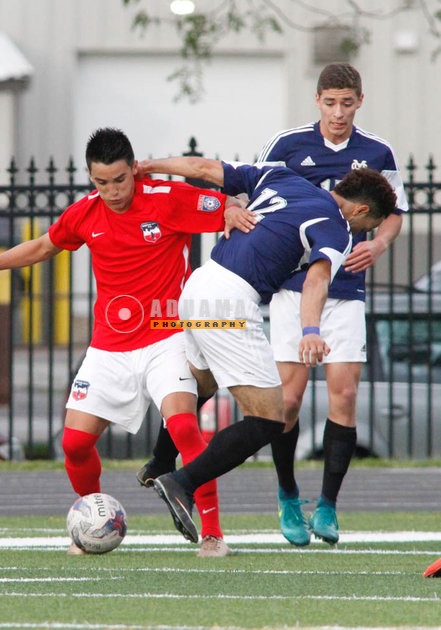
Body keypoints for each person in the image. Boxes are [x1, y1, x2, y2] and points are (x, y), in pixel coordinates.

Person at [138, 62, 409, 546]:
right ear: (363, 210)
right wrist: (311, 331)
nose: (363, 234)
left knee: (202, 381)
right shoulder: (335, 227)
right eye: (368, 227)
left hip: (198, 286)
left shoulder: (278, 175)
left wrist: (148, 166)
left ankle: (161, 459)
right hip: (231, 302)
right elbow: (315, 282)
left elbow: (204, 169)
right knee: (269, 417)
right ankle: (181, 482)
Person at [0, 127, 254, 558]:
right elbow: (44, 246)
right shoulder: (86, 213)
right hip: (109, 346)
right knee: (74, 444)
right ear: (91, 178)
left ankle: (212, 533)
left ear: (134, 170)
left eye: (120, 180)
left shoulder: (167, 198)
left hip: (167, 335)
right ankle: (95, 522)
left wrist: (233, 211)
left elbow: (227, 206)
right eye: (101, 182)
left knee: (184, 428)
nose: (112, 191)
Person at [253, 62, 409, 546]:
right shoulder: (286, 145)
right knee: (288, 400)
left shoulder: (378, 152)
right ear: (317, 101)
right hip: (292, 288)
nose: (338, 112)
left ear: (360, 101)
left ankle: (327, 506)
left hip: (346, 292)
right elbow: (253, 195)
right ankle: (287, 495)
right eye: (330, 103)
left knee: (344, 395)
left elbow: (394, 213)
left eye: (347, 103)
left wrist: (379, 243)